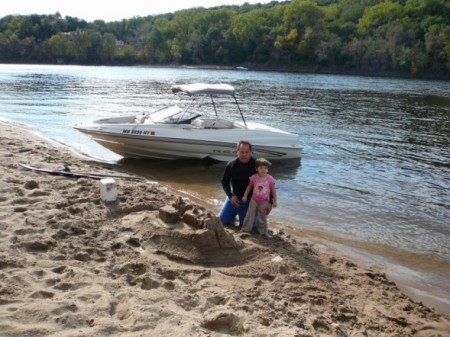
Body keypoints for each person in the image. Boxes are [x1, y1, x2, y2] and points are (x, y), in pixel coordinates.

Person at [219, 140, 256, 228]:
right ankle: (232, 214)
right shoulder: (231, 164)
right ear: (237, 152)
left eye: (247, 152)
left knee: (249, 226)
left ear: (251, 152)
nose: (244, 155)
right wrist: (230, 196)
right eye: (241, 152)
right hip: (234, 197)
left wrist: (269, 201)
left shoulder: (257, 165)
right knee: (222, 220)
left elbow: (267, 183)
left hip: (250, 200)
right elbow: (224, 181)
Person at [241, 158, 277, 237]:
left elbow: (273, 191)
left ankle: (263, 231)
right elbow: (249, 186)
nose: (263, 170)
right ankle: (246, 229)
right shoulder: (254, 177)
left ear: (267, 169)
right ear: (256, 169)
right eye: (261, 168)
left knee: (262, 217)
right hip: (254, 200)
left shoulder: (270, 179)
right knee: (250, 215)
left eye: (265, 168)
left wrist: (275, 201)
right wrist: (245, 195)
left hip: (264, 201)